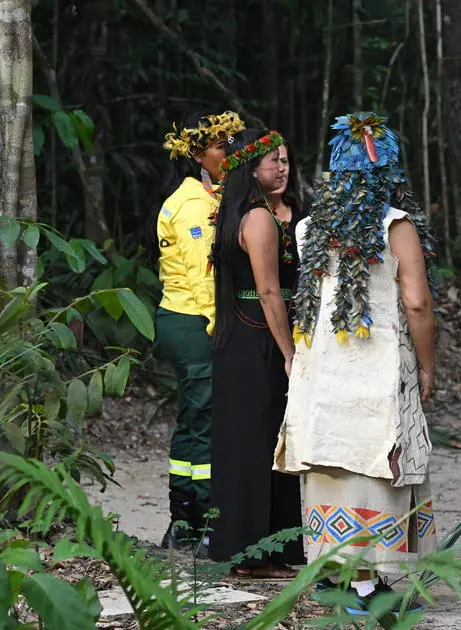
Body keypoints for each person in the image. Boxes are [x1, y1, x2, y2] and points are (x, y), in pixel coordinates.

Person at [275, 112, 439, 614]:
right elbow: (417, 304)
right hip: (378, 369)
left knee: (332, 464)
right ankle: (369, 586)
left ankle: (339, 576)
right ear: (387, 171)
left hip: (323, 370)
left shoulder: (307, 229)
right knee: (376, 467)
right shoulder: (396, 227)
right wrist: (428, 365)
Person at [208, 127, 305, 578]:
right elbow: (269, 291)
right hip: (258, 338)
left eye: (286, 160)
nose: (282, 168)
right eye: (273, 162)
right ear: (252, 168)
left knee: (251, 441)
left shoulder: (235, 213)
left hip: (239, 340)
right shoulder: (260, 217)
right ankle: (255, 554)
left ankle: (255, 551)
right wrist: (289, 352)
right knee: (257, 444)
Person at [154, 111, 246, 552]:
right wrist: (217, 327)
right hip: (194, 318)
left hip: (186, 316)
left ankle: (184, 519)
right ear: (196, 153)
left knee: (194, 419)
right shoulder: (192, 205)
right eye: (220, 146)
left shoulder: (208, 196)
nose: (229, 152)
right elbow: (200, 274)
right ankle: (205, 519)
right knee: (206, 419)